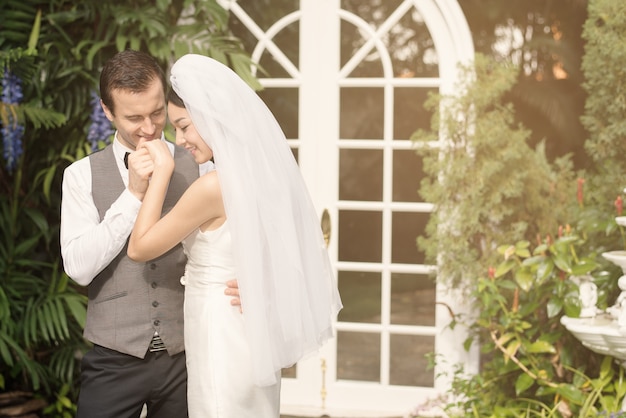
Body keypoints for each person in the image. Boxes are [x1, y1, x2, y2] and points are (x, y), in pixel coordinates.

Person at [127, 53, 343, 417]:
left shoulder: (214, 186)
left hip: (220, 329)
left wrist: (160, 174)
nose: (178, 139)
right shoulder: (266, 179)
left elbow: (139, 247)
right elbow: (291, 253)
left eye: (184, 126)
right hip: (252, 332)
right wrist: (267, 285)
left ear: (212, 120)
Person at [59, 50, 239, 418]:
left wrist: (256, 279)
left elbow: (238, 237)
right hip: (114, 359)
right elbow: (78, 269)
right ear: (107, 112)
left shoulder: (201, 164)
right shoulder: (81, 175)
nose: (149, 127)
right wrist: (133, 195)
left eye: (157, 113)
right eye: (134, 117)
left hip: (188, 354)